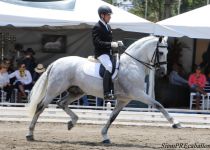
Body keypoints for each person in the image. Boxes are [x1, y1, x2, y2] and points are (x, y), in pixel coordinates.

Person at [92, 5, 123, 100]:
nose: (110, 17)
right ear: (102, 15)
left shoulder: (108, 26)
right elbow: (97, 42)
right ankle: (106, 92)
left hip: (109, 52)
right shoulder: (97, 27)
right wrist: (111, 44)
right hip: (101, 53)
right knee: (109, 66)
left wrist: (116, 43)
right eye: (108, 15)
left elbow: (109, 40)